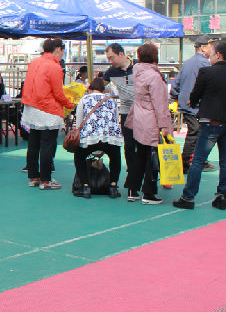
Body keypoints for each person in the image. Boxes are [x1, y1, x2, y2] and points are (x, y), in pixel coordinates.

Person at [173, 41, 226, 210]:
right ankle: (222, 195)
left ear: (218, 55)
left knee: (198, 161)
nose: (209, 57)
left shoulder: (206, 72)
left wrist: (194, 102)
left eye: (212, 54)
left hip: (211, 122)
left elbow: (195, 94)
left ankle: (188, 197)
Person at [21, 38, 73, 190]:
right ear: (58, 49)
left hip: (31, 106)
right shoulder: (54, 67)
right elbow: (58, 92)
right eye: (63, 51)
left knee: (33, 143)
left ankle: (33, 177)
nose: (63, 54)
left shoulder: (34, 62)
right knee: (47, 145)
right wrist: (70, 104)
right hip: (47, 108)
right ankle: (46, 179)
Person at [124, 43, 172, 204]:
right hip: (151, 119)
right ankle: (149, 192)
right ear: (155, 56)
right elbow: (160, 103)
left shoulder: (137, 72)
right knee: (152, 157)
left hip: (138, 117)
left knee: (140, 155)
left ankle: (133, 189)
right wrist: (165, 126)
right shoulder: (154, 76)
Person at [171, 35, 217, 173]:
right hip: (197, 105)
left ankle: (194, 161)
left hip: (186, 104)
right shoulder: (205, 64)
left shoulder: (187, 63)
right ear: (203, 48)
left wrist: (176, 97)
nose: (212, 50)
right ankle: (187, 162)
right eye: (210, 47)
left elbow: (175, 85)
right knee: (197, 133)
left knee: (195, 132)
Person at [72, 78, 123, 199]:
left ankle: (85, 186)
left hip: (90, 137)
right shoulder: (112, 101)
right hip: (110, 137)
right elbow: (116, 120)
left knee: (79, 156)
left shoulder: (84, 99)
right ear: (103, 90)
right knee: (115, 157)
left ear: (90, 88)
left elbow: (79, 122)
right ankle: (113, 186)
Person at [102, 43, 136, 172]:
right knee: (129, 145)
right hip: (126, 112)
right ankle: (132, 170)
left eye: (112, 58)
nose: (110, 61)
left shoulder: (138, 66)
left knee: (145, 144)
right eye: (108, 59)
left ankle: (148, 171)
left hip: (143, 111)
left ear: (121, 54)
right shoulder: (111, 72)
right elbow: (99, 86)